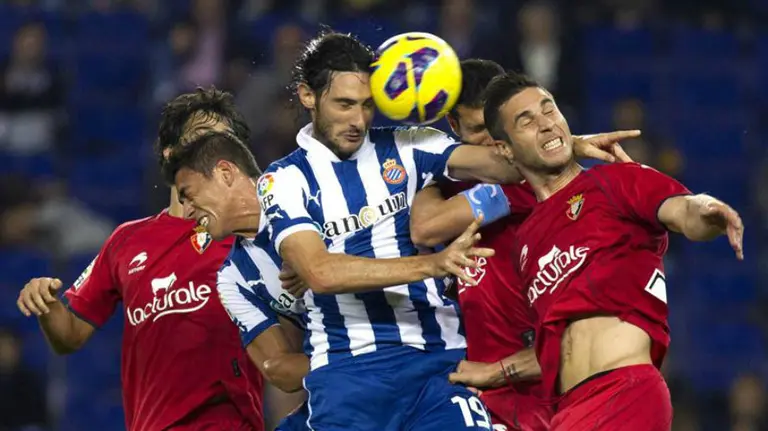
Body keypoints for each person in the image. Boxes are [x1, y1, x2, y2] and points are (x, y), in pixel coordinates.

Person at [168, 30, 624, 431]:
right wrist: (433, 263)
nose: (358, 121)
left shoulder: (408, 146)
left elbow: (501, 165)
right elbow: (321, 271)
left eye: (367, 106)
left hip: (438, 368)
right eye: (344, 104)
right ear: (308, 96)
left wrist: (569, 145)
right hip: (349, 377)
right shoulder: (283, 181)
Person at [15, 88, 292, 431]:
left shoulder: (257, 234)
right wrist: (46, 305)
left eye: (225, 142)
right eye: (203, 139)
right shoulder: (126, 241)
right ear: (171, 153)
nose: (215, 153)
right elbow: (69, 335)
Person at [482, 71, 744, 430]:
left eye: (550, 110)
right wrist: (491, 373)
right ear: (504, 148)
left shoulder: (615, 181)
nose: (546, 125)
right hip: (568, 410)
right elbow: (551, 350)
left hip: (624, 391)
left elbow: (685, 210)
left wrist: (709, 210)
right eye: (526, 121)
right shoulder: (524, 242)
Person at [410, 59, 636, 431]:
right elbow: (422, 227)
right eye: (481, 130)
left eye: (500, 128)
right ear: (453, 126)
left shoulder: (534, 182)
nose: (494, 143)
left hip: (538, 393)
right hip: (474, 395)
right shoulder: (453, 183)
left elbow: (427, 227)